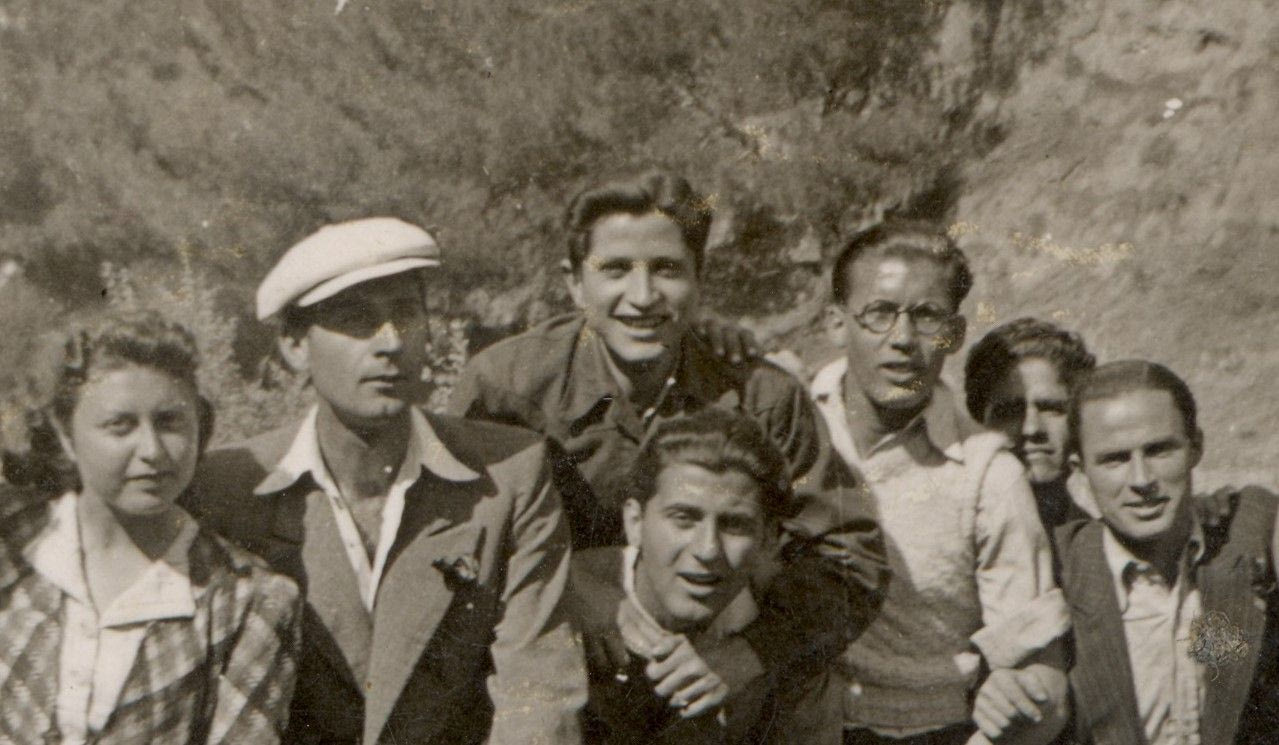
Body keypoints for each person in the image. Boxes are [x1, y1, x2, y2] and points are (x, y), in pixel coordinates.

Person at [449, 171, 887, 723]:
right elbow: (448, 545)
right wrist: (567, 586)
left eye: (667, 270)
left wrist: (749, 654)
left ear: (700, 280)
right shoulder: (505, 389)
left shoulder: (763, 397)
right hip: (554, 677)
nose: (642, 297)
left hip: (710, 682)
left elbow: (849, 559)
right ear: (575, 283)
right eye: (615, 269)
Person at [184, 218, 586, 745]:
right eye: (356, 320)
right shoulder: (227, 486)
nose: (391, 342)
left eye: (406, 313)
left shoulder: (509, 473)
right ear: (295, 345)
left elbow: (539, 691)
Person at [813, 221, 1070, 745]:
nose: (903, 339)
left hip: (932, 730)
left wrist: (1018, 701)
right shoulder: (790, 422)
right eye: (879, 313)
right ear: (837, 323)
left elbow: (1041, 679)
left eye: (926, 316)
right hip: (798, 722)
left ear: (953, 334)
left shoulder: (989, 475)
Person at [0, 311, 301, 744]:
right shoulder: (15, 544)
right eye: (120, 426)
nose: (152, 451)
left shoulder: (247, 600)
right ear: (66, 435)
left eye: (170, 422)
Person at [1055, 360, 1279, 744]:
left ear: (1196, 447)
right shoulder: (1059, 568)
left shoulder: (1245, 536)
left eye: (1159, 450)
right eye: (1114, 459)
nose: (1142, 480)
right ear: (1080, 468)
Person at [573, 409, 793, 744]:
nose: (708, 550)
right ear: (634, 522)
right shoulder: (567, 604)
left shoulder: (780, 630)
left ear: (767, 539)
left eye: (734, 524)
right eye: (683, 518)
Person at [964, 317, 1099, 532]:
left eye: (1051, 408)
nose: (1031, 429)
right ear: (981, 420)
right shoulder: (955, 530)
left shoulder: (1103, 536)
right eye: (1009, 411)